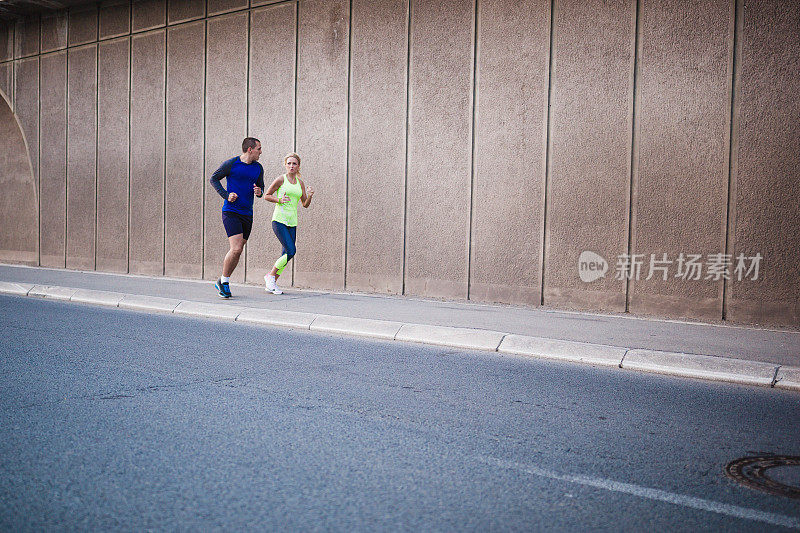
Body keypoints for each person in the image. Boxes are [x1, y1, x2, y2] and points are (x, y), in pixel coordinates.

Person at [209, 137, 265, 298]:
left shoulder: (258, 168)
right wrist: (226, 195)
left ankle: (222, 279)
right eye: (259, 149)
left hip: (247, 213)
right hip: (231, 211)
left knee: (238, 251)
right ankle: (224, 282)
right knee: (236, 248)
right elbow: (214, 178)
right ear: (250, 149)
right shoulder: (231, 164)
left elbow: (260, 186)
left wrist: (259, 192)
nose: (261, 152)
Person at [262, 152, 314, 294]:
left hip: (292, 221)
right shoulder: (281, 179)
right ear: (285, 165)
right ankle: (270, 276)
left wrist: (309, 196)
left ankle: (272, 283)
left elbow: (305, 204)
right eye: (289, 163)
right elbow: (266, 195)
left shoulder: (300, 183)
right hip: (279, 220)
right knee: (291, 250)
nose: (291, 166)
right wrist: (279, 200)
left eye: (294, 163)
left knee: (287, 253)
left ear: (298, 166)